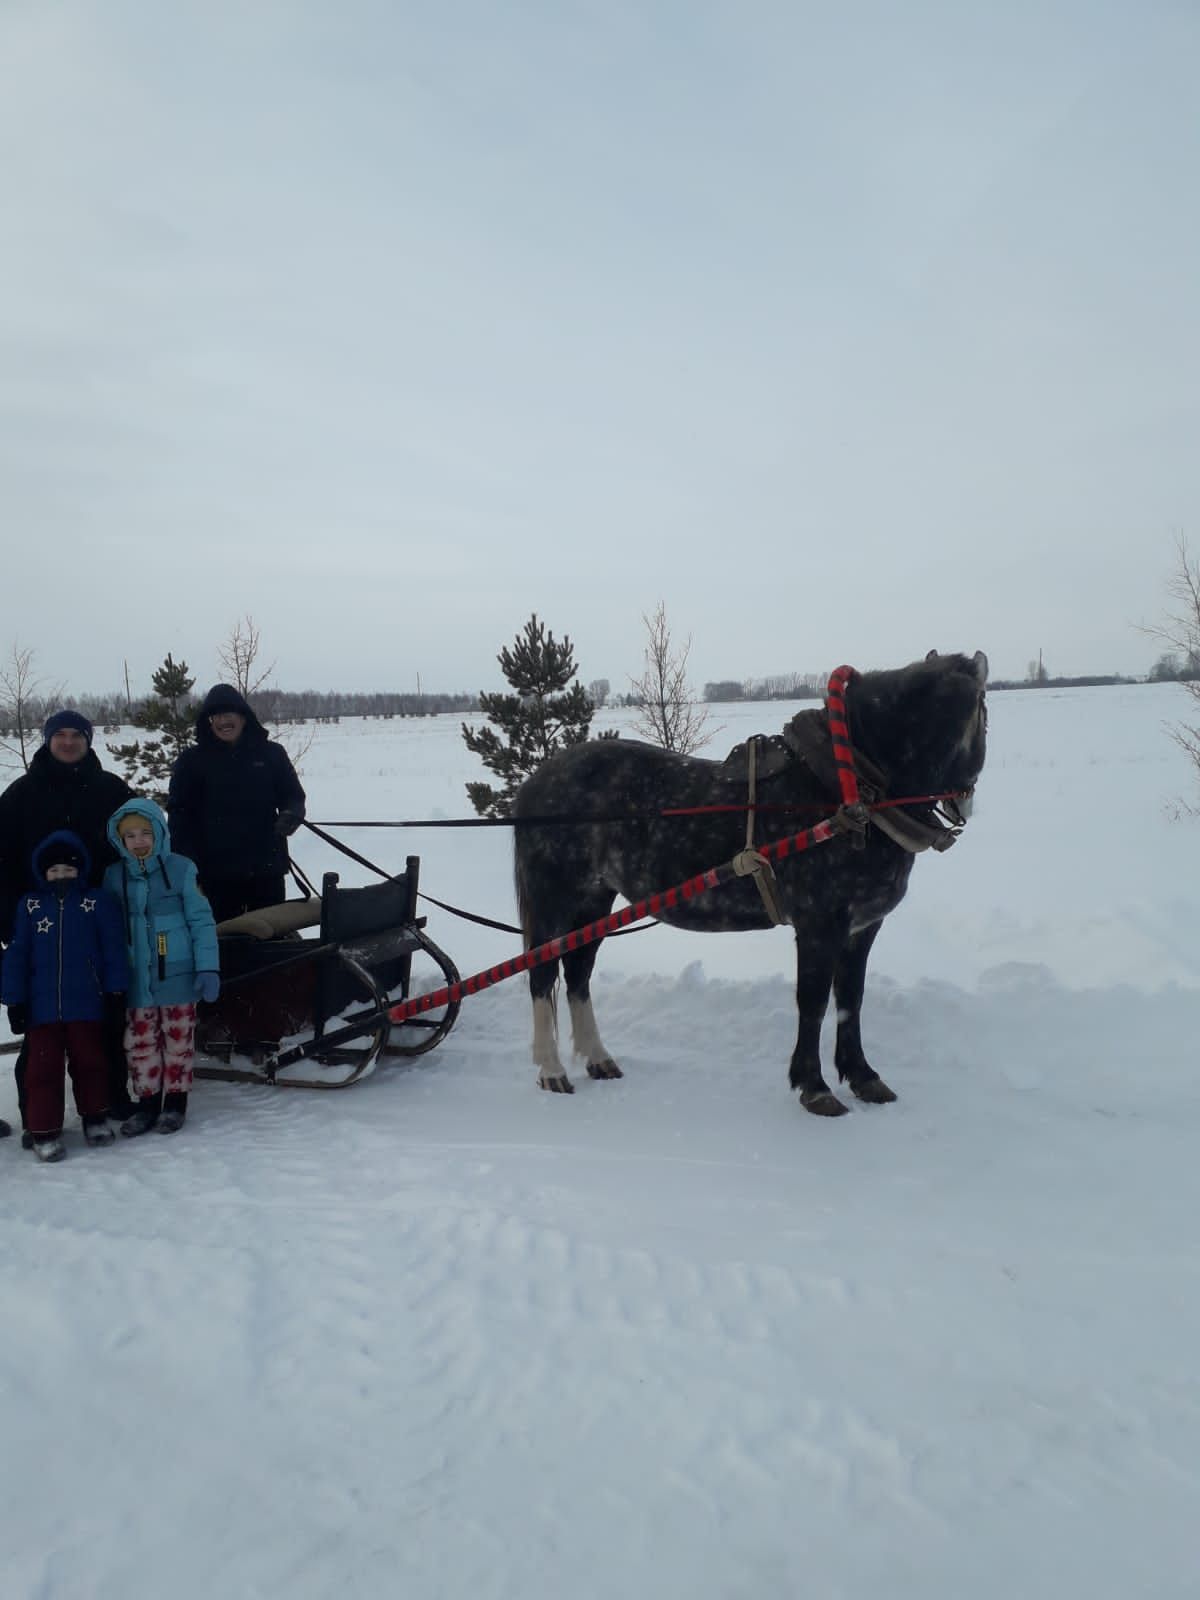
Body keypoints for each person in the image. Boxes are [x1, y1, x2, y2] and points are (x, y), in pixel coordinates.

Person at [0, 709, 136, 1139]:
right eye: (59, 734)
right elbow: (1, 861)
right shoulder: (21, 794)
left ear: (88, 740)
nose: (68, 741)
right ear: (47, 740)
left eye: (76, 734)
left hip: (100, 921)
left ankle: (110, 1097)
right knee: (42, 1027)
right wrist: (10, 919)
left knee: (104, 1019)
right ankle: (36, 1115)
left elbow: (133, 847)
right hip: (39, 926)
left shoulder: (111, 789)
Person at [1, 832, 128, 1162]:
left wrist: (115, 991)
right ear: (42, 873)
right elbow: (17, 954)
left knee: (91, 1063)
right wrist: (14, 999)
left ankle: (95, 1117)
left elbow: (113, 950)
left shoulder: (97, 902)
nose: (61, 876)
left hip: (86, 1003)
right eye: (54, 870)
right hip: (41, 1008)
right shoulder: (30, 905)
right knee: (42, 1069)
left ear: (80, 870)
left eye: (68, 870)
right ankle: (44, 1129)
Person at [103, 798, 220, 1136]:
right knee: (140, 1045)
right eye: (130, 836)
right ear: (119, 840)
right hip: (136, 979)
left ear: (159, 833)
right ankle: (148, 1103)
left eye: (146, 833)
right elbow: (110, 930)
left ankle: (175, 1103)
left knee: (177, 1041)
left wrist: (208, 968)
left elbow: (201, 921)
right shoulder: (114, 876)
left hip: (178, 977)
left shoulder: (182, 869)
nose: (139, 841)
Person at [167, 684, 306, 923]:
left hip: (266, 868)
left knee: (272, 938)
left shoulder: (271, 754)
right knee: (223, 943)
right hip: (214, 875)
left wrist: (291, 813)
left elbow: (293, 795)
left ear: (243, 716)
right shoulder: (191, 761)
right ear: (209, 721)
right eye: (217, 715)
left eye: (229, 712)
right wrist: (189, 871)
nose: (224, 720)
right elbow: (180, 819)